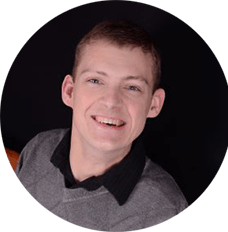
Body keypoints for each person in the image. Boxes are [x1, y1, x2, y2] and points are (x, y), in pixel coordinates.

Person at [15, 19, 188, 231]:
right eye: (95, 81)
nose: (111, 101)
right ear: (70, 92)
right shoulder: (38, 149)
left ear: (153, 105)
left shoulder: (164, 211)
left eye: (132, 87)